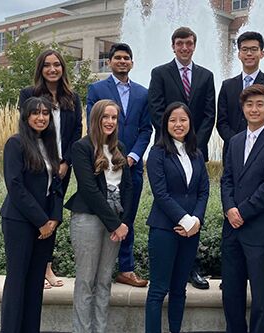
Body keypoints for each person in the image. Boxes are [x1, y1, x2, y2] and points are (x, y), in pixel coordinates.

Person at [148, 26, 215, 289]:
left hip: (195, 151)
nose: (184, 47)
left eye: (189, 43)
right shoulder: (160, 73)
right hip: (166, 149)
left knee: (194, 202)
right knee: (170, 199)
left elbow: (210, 113)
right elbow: (156, 109)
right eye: (179, 43)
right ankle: (171, 265)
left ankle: (192, 267)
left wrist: (193, 143)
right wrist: (172, 137)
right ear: (173, 46)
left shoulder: (206, 76)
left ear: (194, 45)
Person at [220, 84, 264, 333]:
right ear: (243, 108)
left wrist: (242, 212)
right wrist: (230, 209)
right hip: (232, 230)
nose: (254, 109)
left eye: (260, 104)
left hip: (259, 231)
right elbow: (226, 179)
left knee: (260, 297)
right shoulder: (235, 141)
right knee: (231, 293)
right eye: (249, 104)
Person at [87, 43, 152, 288]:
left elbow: (147, 129)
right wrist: (109, 153)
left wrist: (133, 155)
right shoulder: (96, 89)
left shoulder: (143, 94)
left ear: (132, 63)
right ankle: (98, 269)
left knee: (127, 217)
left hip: (132, 166)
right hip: (103, 164)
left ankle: (125, 269)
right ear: (110, 62)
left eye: (127, 58)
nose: (122, 61)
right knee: (100, 216)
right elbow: (92, 123)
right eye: (118, 58)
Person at [65, 100, 132, 333]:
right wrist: (116, 224)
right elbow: (89, 189)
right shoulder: (81, 147)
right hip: (88, 219)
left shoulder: (119, 147)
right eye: (106, 117)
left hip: (115, 223)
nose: (110, 121)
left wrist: (124, 223)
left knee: (105, 281)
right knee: (86, 282)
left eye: (114, 117)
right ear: (96, 118)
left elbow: (130, 188)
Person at [19, 49, 82, 289]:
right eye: (47, 65)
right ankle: (32, 266)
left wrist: (66, 162)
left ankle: (46, 267)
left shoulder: (72, 97)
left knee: (53, 215)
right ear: (41, 69)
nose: (52, 69)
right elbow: (24, 129)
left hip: (62, 168)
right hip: (37, 164)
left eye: (57, 65)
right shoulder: (28, 94)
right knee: (35, 212)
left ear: (63, 68)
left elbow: (77, 131)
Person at [145, 102, 210, 333]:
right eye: (173, 120)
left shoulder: (196, 153)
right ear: (165, 124)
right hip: (164, 229)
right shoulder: (157, 153)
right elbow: (160, 193)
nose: (178, 124)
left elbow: (203, 190)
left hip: (191, 231)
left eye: (183, 120)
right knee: (158, 290)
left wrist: (197, 221)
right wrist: (185, 220)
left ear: (190, 123)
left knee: (179, 289)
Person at [0, 96, 63, 333]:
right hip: (19, 222)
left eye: (45, 113)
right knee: (17, 282)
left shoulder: (48, 146)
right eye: (35, 113)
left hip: (46, 225)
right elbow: (15, 186)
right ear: (26, 117)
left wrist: (54, 218)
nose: (41, 117)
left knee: (36, 283)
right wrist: (41, 221)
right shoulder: (15, 144)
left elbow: (56, 185)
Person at [217, 31, 264, 160]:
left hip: (263, 151)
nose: (249, 54)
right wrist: (237, 142)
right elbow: (221, 122)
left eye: (254, 49)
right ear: (239, 54)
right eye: (244, 49)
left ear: (262, 53)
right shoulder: (227, 85)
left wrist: (256, 142)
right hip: (232, 151)